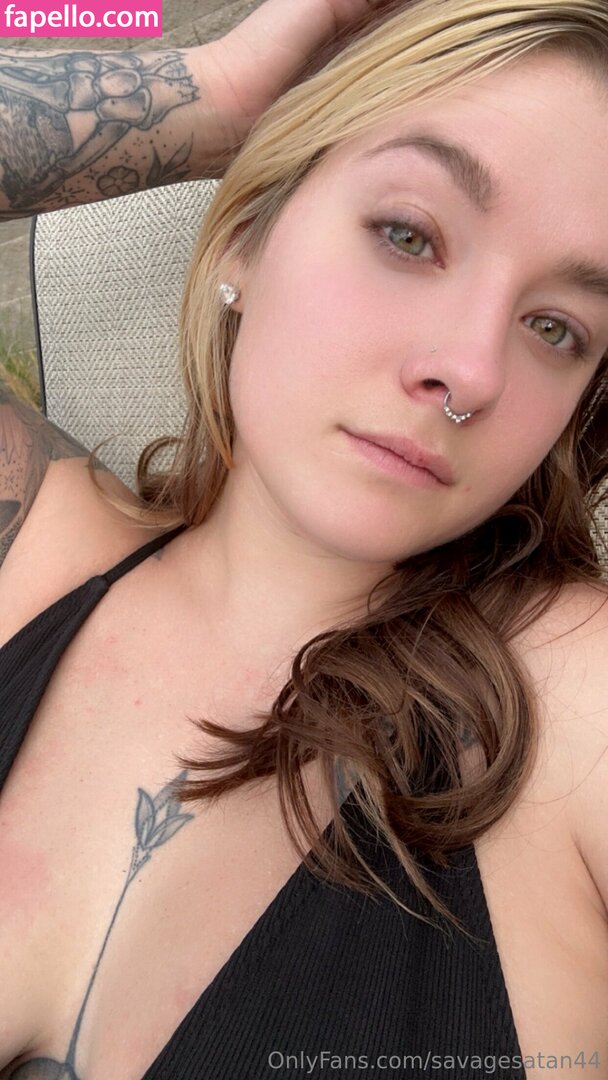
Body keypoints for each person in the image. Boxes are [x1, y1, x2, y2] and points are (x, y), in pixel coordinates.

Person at [0, 0, 607, 1077]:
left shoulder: (576, 704)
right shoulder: (30, 543)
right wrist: (217, 96)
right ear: (247, 231)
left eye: (555, 327)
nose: (470, 371)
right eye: (408, 234)